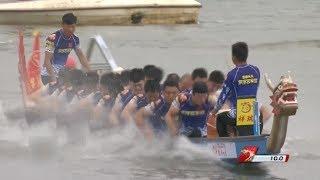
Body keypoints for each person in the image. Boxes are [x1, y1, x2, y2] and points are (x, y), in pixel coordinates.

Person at [211, 42, 260, 137]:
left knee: (220, 118)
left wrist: (214, 112)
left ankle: (226, 143)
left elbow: (223, 96)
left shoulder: (232, 74)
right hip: (254, 111)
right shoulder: (256, 70)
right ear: (246, 55)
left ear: (234, 57)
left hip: (239, 113)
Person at [41, 13, 90, 85]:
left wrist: (90, 73)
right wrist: (54, 79)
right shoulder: (52, 38)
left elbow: (81, 57)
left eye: (73, 27)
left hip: (62, 75)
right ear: (62, 25)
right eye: (68, 27)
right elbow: (47, 61)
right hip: (48, 75)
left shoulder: (75, 39)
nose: (71, 30)